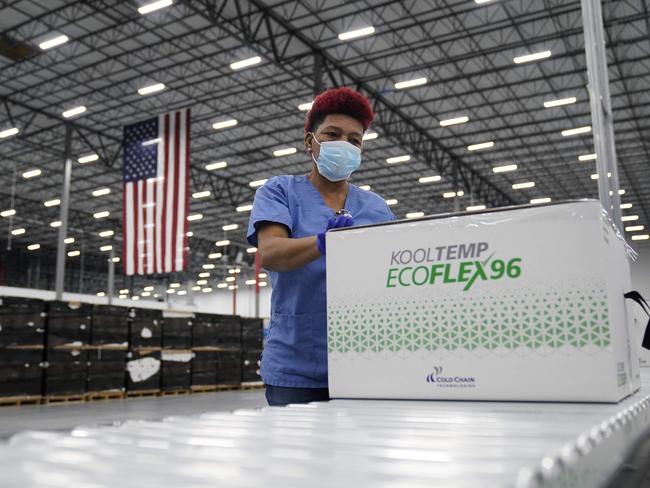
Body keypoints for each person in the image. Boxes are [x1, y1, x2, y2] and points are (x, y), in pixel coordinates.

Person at [247, 87, 396, 406]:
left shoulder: (377, 208)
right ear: (309, 141)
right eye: (332, 134)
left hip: (365, 365)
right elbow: (270, 253)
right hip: (296, 368)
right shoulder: (279, 192)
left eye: (354, 140)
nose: (344, 144)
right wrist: (321, 243)